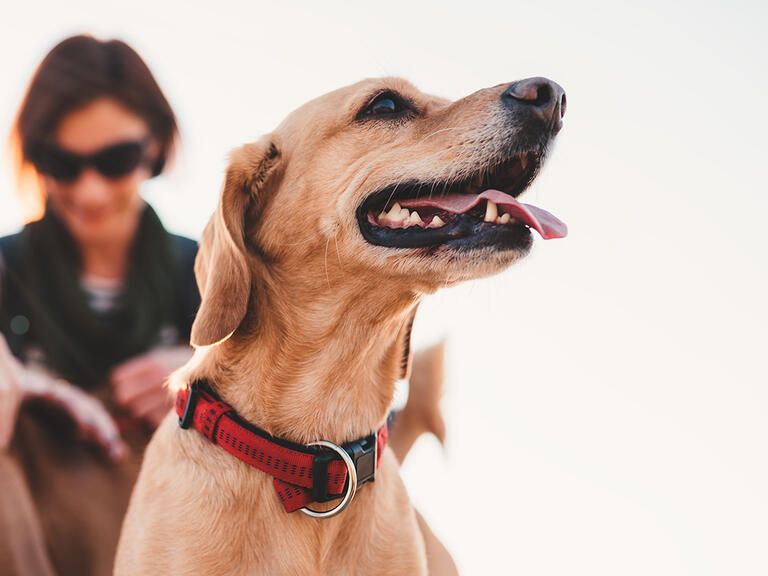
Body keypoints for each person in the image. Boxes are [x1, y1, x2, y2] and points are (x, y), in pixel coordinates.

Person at [0, 35, 198, 576]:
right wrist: (23, 383)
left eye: (115, 160)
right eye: (60, 163)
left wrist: (204, 379)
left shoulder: (210, 274)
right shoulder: (5, 269)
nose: (88, 192)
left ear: (155, 147)